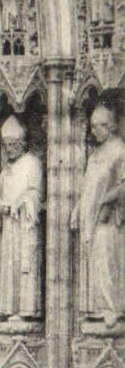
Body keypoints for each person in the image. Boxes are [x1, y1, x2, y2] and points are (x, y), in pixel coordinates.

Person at [71, 104, 125, 324]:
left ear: (110, 126)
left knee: (107, 259)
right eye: (92, 127)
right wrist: (77, 209)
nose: (93, 132)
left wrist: (106, 201)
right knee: (93, 261)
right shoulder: (96, 154)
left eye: (97, 127)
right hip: (89, 217)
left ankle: (113, 307)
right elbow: (88, 186)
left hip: (108, 217)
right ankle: (95, 308)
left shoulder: (120, 150)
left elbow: (123, 184)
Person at [0, 116, 44, 320]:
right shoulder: (5, 170)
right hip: (7, 227)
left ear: (22, 144)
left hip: (24, 226)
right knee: (7, 266)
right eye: (6, 146)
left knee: (24, 265)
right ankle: (8, 309)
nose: (8, 149)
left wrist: (22, 201)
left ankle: (26, 311)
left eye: (12, 145)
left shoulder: (32, 164)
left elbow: (36, 193)